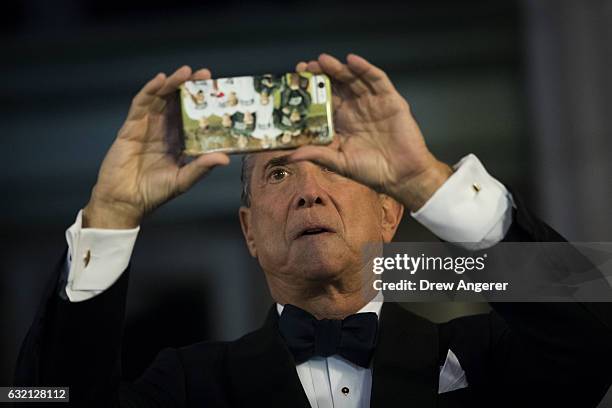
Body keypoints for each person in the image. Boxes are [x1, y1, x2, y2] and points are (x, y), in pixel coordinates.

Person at [15, 54, 612, 407]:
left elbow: (594, 338)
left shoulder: (481, 358)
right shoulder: (188, 386)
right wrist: (111, 213)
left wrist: (430, 180)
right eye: (278, 172)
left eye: (329, 166)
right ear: (250, 232)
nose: (308, 189)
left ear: (390, 211)